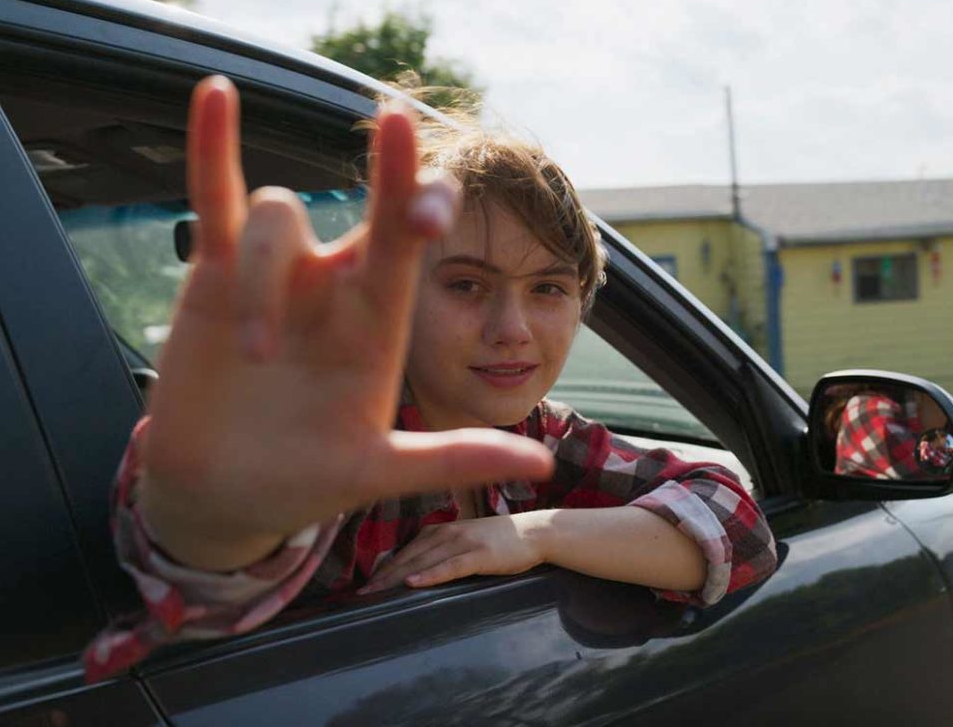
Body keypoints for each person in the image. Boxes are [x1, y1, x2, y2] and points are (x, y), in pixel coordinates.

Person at [82, 77, 777, 680]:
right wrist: (210, 521)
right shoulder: (340, 444)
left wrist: (536, 535)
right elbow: (206, 573)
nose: (513, 328)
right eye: (468, 285)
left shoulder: (536, 437)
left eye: (549, 289)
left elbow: (740, 529)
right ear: (394, 301)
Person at [828, 385, 949, 480]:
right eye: (945, 404)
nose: (949, 417)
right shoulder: (868, 412)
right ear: (922, 397)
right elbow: (926, 474)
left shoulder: (906, 415)